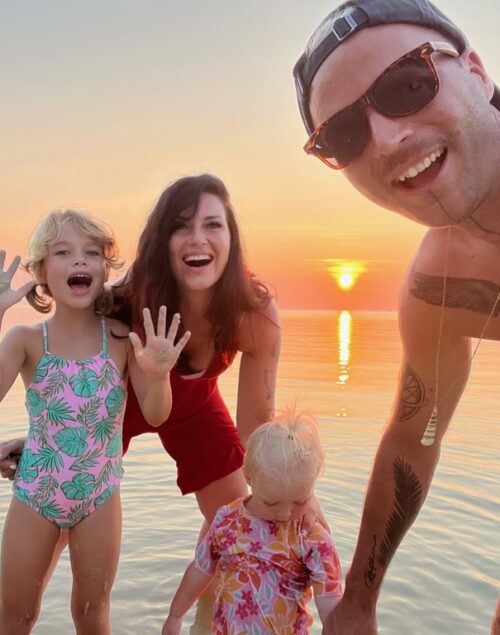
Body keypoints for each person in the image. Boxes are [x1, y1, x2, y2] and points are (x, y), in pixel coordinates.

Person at [292, 1, 500, 633]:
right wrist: (359, 597)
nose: (386, 139)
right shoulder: (434, 290)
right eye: (344, 135)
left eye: (408, 86)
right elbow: (420, 434)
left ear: (476, 70)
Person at [0, 174, 282, 632]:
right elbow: (72, 386)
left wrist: (292, 490)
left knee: (241, 518)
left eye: (213, 224)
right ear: (161, 240)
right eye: (181, 225)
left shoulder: (250, 310)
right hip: (121, 399)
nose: (198, 239)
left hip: (186, 402)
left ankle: (206, 625)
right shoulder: (121, 307)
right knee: (32, 576)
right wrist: (40, 440)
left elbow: (256, 431)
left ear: (232, 237)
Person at [0, 209, 190, 634]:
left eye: (91, 253)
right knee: (16, 616)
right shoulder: (27, 340)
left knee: (92, 614)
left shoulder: (122, 339)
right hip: (36, 495)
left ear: (106, 269)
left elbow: (157, 413)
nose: (79, 262)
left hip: (100, 495)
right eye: (63, 253)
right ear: (41, 272)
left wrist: (158, 375)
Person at [162, 410, 342, 635]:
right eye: (271, 502)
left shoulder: (311, 538)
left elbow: (330, 603)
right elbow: (200, 569)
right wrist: (175, 614)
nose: (285, 513)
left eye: (300, 501)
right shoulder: (227, 520)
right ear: (249, 477)